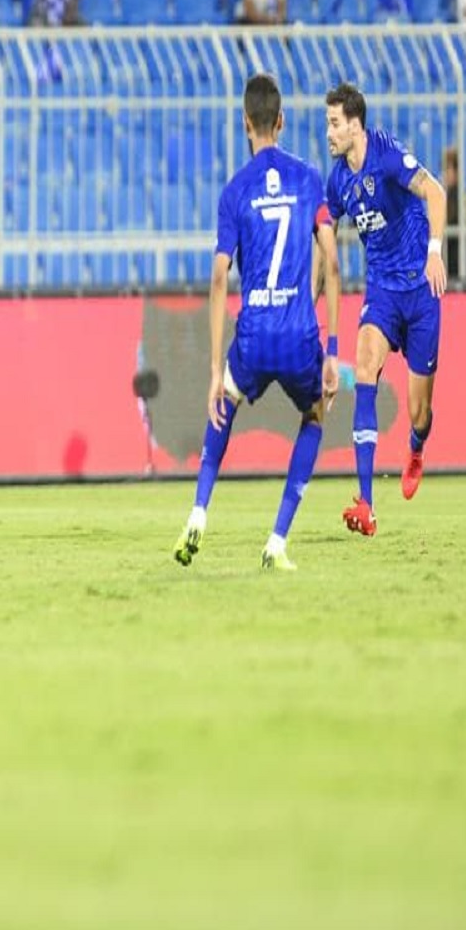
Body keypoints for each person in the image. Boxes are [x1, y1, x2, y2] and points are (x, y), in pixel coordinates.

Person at [174, 73, 341, 572]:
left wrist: (212, 370)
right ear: (282, 121)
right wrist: (331, 349)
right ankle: (276, 541)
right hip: (298, 333)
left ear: (246, 123)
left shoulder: (234, 192)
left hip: (252, 333)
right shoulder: (310, 179)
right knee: (314, 414)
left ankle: (199, 512)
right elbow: (331, 262)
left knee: (224, 402)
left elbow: (220, 277)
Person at [325, 82, 447, 538]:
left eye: (334, 123)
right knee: (366, 368)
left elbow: (436, 193)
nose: (329, 133)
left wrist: (434, 251)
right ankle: (367, 505)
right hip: (382, 292)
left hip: (420, 292)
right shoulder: (338, 179)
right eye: (327, 123)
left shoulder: (388, 155)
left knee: (420, 412)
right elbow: (326, 236)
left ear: (355, 125)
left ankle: (416, 448)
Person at [441, 146, 466, 281]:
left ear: (456, 171)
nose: (444, 174)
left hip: (460, 265)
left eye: (447, 169)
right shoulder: (446, 196)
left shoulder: (465, 199)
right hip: (449, 263)